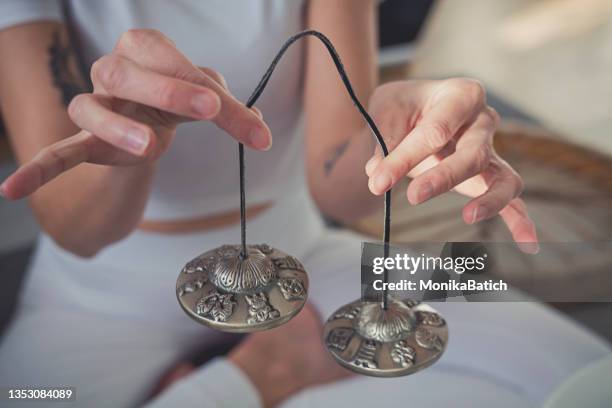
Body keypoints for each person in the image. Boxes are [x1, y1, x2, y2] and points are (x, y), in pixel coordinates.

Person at [0, 1, 608, 407]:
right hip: (96, 296)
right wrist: (128, 149)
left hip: (302, 255)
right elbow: (76, 230)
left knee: (578, 370)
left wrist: (400, 140)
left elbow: (334, 180)